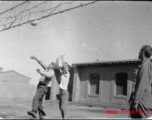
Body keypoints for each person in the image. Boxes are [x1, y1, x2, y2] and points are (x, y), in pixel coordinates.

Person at [129, 45, 152, 119]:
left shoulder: (145, 65)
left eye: (140, 51)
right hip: (141, 100)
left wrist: (135, 101)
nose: (138, 53)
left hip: (141, 102)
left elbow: (142, 85)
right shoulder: (146, 65)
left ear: (143, 53)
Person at [56, 54, 70, 119]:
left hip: (64, 92)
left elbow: (63, 66)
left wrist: (62, 58)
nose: (65, 67)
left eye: (66, 66)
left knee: (63, 107)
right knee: (60, 107)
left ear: (68, 68)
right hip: (61, 92)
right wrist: (57, 59)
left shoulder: (68, 74)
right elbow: (57, 68)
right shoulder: (62, 74)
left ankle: (65, 118)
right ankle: (63, 118)